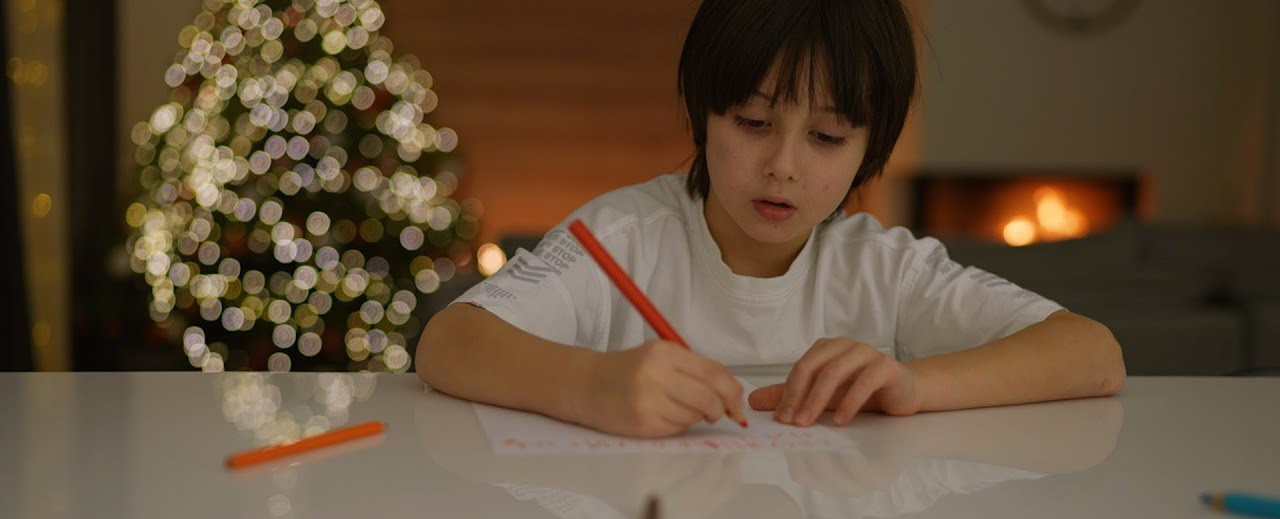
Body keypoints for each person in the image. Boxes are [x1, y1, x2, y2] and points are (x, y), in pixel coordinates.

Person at [415, 0, 1125, 438]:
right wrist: (588, 385)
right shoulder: (622, 238)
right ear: (703, 113)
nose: (783, 164)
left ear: (868, 150)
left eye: (826, 137)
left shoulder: (880, 268)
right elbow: (450, 341)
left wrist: (915, 386)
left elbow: (1093, 356)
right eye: (753, 121)